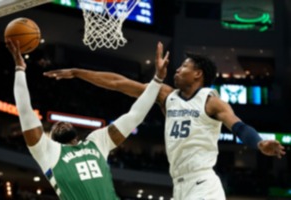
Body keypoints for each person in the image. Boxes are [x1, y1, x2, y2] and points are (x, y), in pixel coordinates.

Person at [44, 42, 286, 199]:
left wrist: (259, 143)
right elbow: (119, 84)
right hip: (179, 187)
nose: (177, 70)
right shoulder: (166, 96)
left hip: (203, 184)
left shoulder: (210, 101)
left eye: (184, 67)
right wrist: (78, 73)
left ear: (198, 74)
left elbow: (238, 126)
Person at [7, 39, 169, 200]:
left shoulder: (97, 141)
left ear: (77, 134)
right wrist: (20, 69)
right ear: (52, 138)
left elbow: (134, 116)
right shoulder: (46, 151)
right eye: (56, 127)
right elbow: (25, 110)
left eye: (62, 123)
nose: (60, 124)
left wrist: (157, 81)